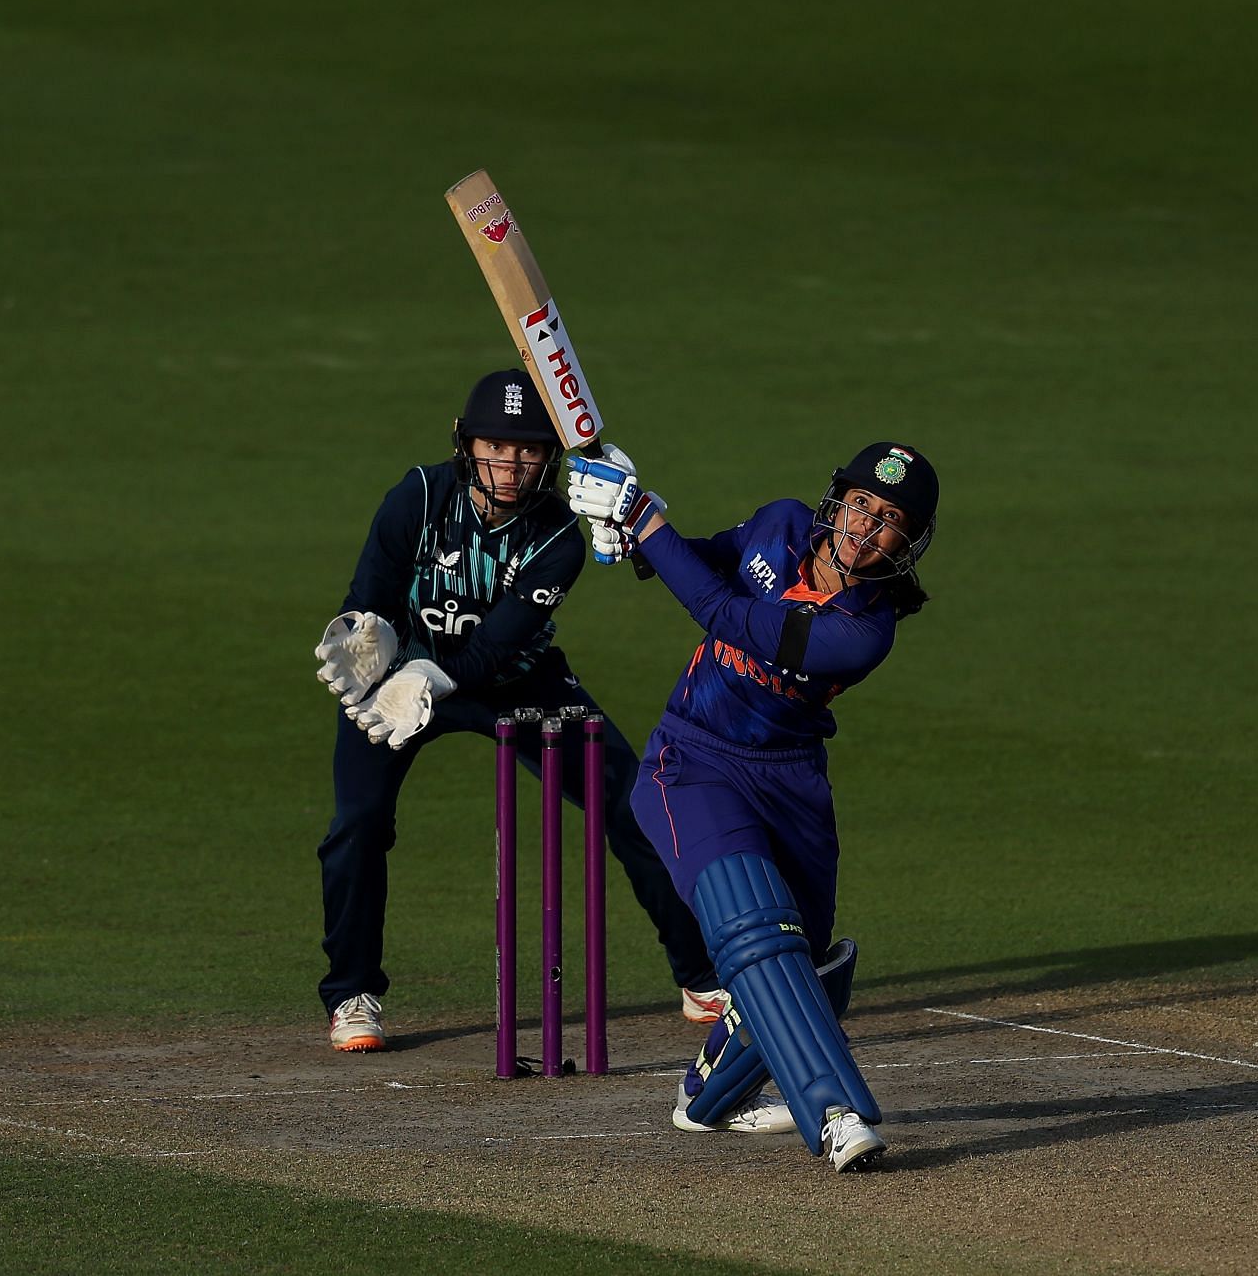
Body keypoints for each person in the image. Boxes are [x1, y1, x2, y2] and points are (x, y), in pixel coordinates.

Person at [311, 369, 724, 1053]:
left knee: (631, 803)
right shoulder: (415, 497)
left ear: (549, 458)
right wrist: (373, 632)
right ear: (465, 444)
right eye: (495, 447)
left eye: (528, 450)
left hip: (519, 679)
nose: (510, 464)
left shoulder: (559, 537)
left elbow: (494, 649)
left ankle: (702, 976)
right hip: (394, 688)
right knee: (356, 823)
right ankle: (353, 993)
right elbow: (370, 594)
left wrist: (434, 673)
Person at [566, 439, 937, 1172]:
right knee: (758, 931)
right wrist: (634, 539)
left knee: (812, 967)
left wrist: (640, 516)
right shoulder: (781, 524)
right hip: (693, 759)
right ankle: (834, 1113)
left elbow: (724, 613)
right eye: (861, 502)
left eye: (888, 517)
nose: (866, 524)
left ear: (908, 540)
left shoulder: (865, 631)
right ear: (837, 500)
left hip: (789, 779)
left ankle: (707, 1099)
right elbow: (708, 561)